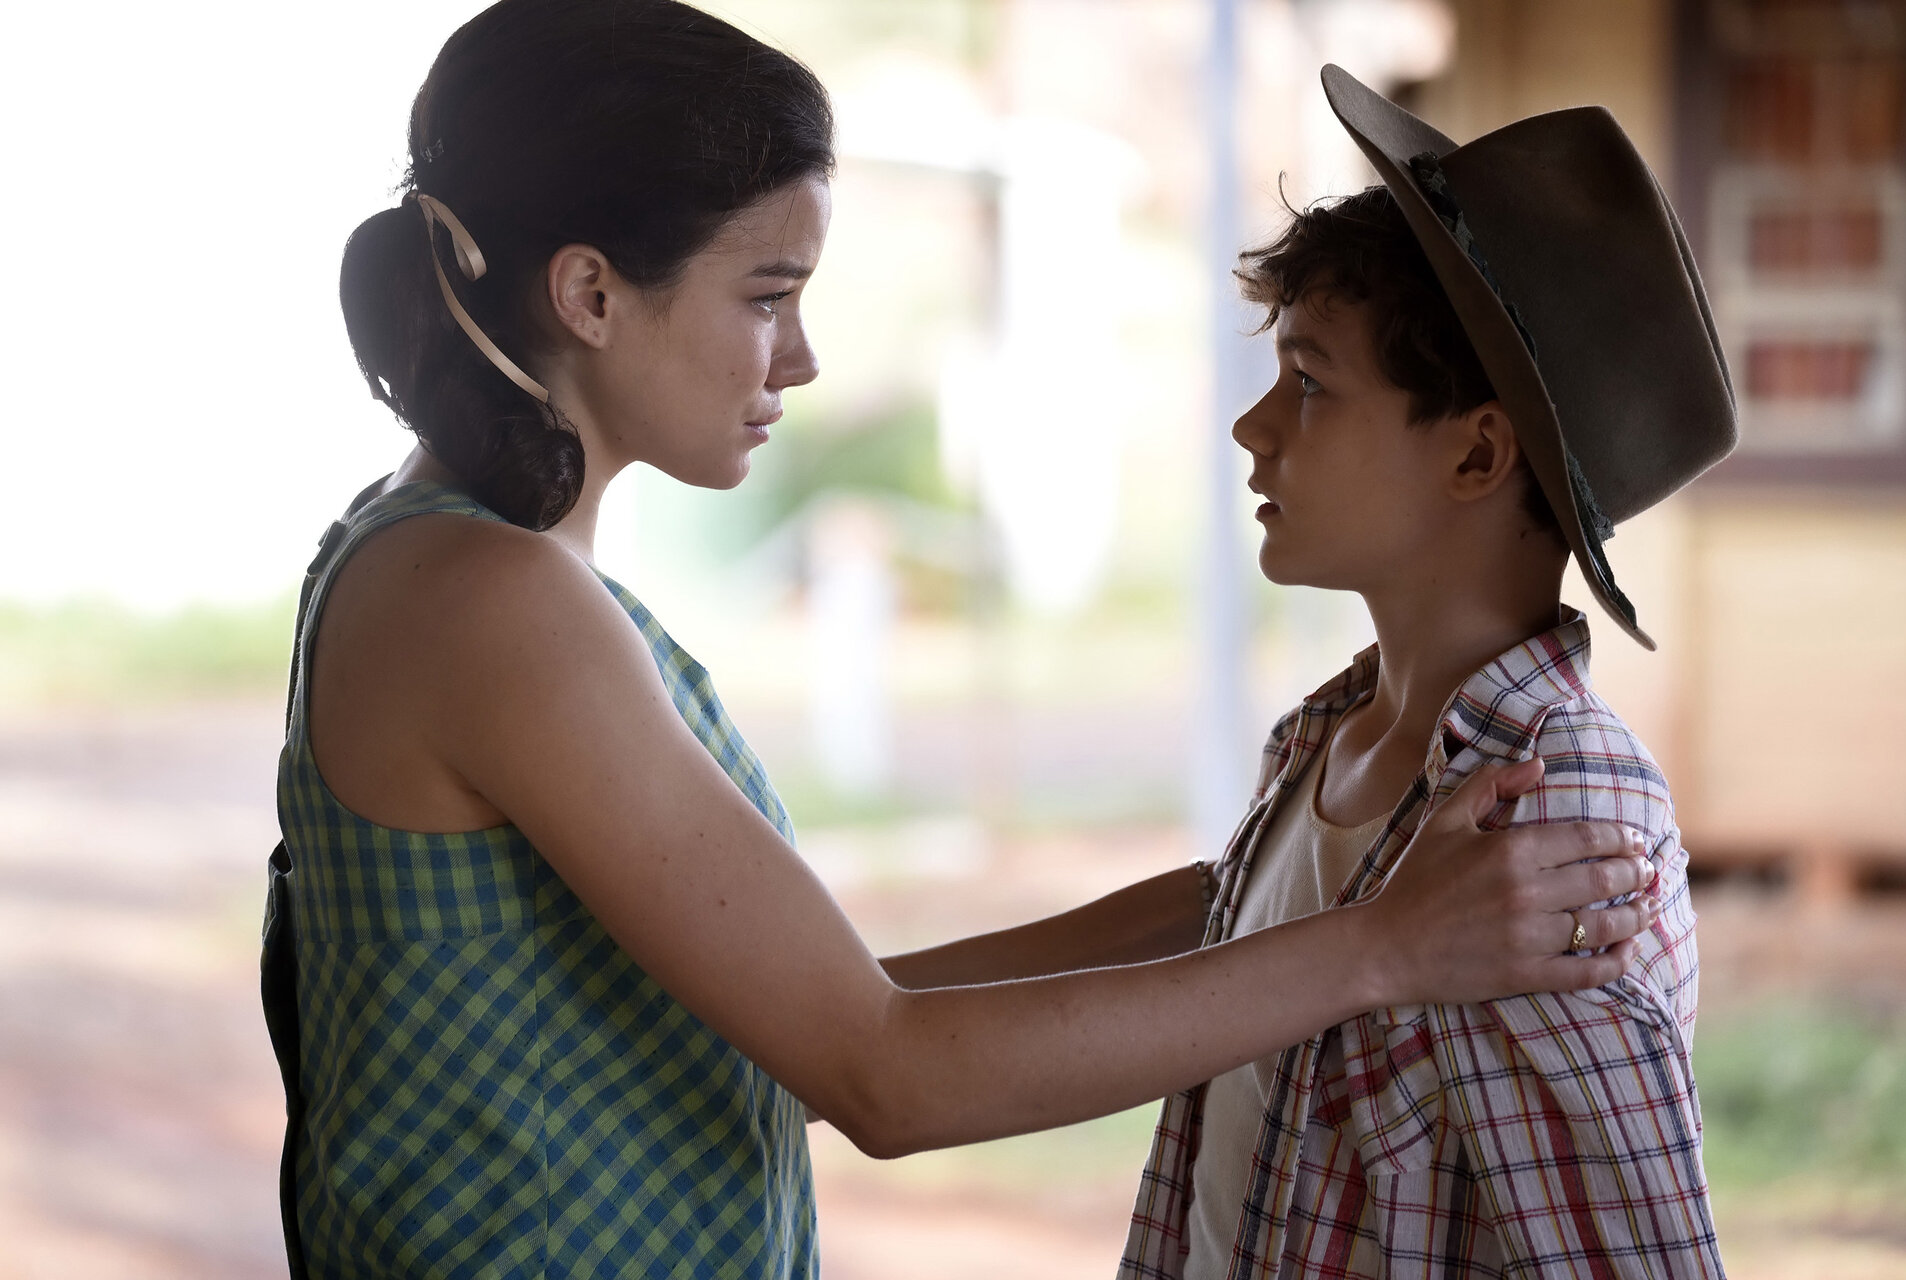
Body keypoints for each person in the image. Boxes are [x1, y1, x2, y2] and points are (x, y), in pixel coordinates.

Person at [267, 6, 1660, 1277]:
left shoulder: (476, 567)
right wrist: (1380, 948)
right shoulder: (492, 600)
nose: (801, 357)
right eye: (767, 295)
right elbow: (883, 1071)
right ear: (589, 295)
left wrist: (1304, 900)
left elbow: (830, 1011)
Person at [1119, 66, 1733, 1279]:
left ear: (1476, 456)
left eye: (1310, 382)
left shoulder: (1547, 826)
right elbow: (1227, 934)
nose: (1252, 427)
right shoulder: (1331, 735)